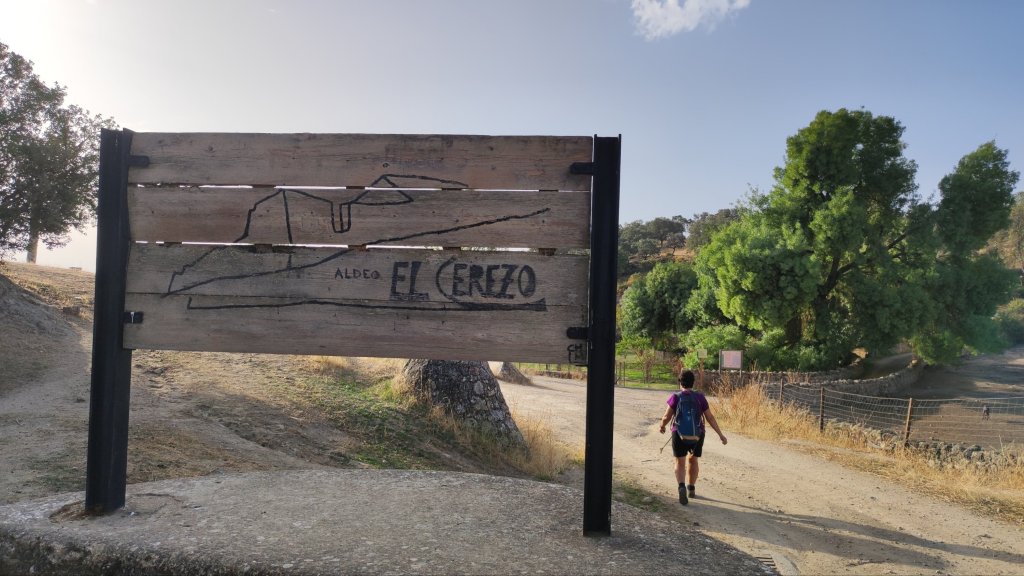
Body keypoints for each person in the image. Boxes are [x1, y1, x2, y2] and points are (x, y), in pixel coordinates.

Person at [659, 370, 727, 505]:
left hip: (679, 433)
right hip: (698, 434)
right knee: (693, 460)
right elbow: (710, 417)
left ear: (680, 382)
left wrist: (662, 425)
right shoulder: (700, 397)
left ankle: (681, 486)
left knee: (680, 461)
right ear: (693, 382)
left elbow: (667, 416)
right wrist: (720, 435)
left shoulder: (675, 397)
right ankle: (691, 487)